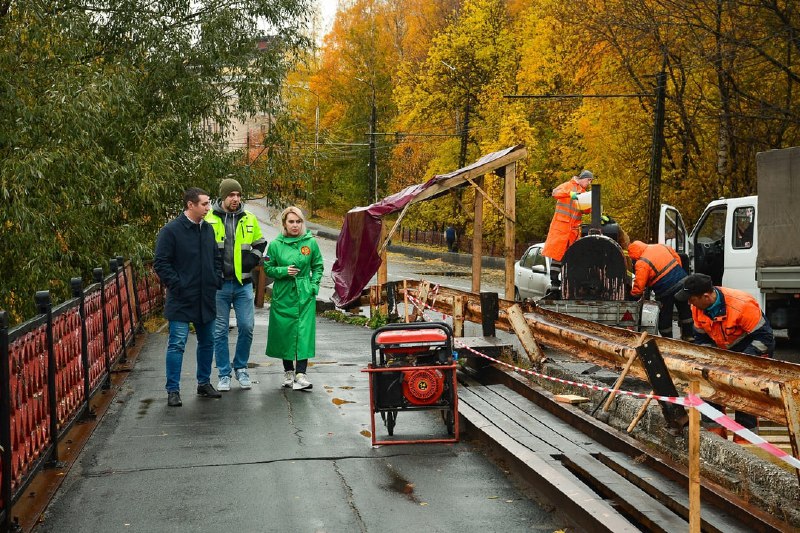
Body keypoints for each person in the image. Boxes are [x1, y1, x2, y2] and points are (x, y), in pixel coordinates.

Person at [674, 273, 775, 442]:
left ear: (705, 296)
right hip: (723, 351)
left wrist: (742, 363)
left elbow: (765, 339)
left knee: (744, 394)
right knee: (711, 388)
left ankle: (745, 443)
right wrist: (711, 363)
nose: (689, 303)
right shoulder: (698, 308)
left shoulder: (742, 305)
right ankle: (716, 440)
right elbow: (702, 339)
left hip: (750, 349)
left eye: (691, 299)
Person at [154, 187, 223, 407]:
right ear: (190, 205)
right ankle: (172, 390)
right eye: (204, 204)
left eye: (209, 203)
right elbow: (161, 263)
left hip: (205, 297)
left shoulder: (208, 229)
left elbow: (216, 257)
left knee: (207, 341)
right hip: (182, 298)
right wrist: (178, 285)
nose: (208, 208)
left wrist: (216, 279)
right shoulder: (171, 230)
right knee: (177, 343)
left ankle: (203, 383)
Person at [205, 178, 267, 392]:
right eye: (231, 195)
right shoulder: (209, 218)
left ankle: (240, 367)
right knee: (219, 331)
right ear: (223, 196)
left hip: (243, 284)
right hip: (219, 285)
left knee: (247, 327)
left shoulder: (249, 218)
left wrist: (254, 259)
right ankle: (223, 373)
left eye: (238, 195)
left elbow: (260, 242)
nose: (235, 199)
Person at [265, 206, 324, 390]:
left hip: (304, 292)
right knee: (285, 331)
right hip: (283, 293)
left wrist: (313, 287)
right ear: (284, 223)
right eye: (291, 221)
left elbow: (318, 266)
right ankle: (288, 371)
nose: (295, 225)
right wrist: (283, 271)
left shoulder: (310, 243)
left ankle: (301, 373)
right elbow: (267, 268)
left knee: (303, 332)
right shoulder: (275, 245)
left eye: (298, 221)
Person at [627, 241, 694, 340]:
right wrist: (676, 274)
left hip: (664, 290)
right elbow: (677, 258)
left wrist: (632, 297)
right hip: (682, 281)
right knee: (685, 311)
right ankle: (689, 336)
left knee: (665, 316)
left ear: (635, 254)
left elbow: (639, 286)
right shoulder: (661, 246)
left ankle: (667, 340)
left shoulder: (642, 262)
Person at [542, 169, 593, 295]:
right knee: (557, 257)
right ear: (582, 178)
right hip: (561, 229)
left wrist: (592, 204)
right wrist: (572, 195)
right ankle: (554, 287)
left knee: (571, 259)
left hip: (572, 232)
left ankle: (567, 286)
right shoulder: (567, 186)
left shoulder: (584, 193)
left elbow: (586, 211)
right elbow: (555, 193)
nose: (589, 183)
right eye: (588, 180)